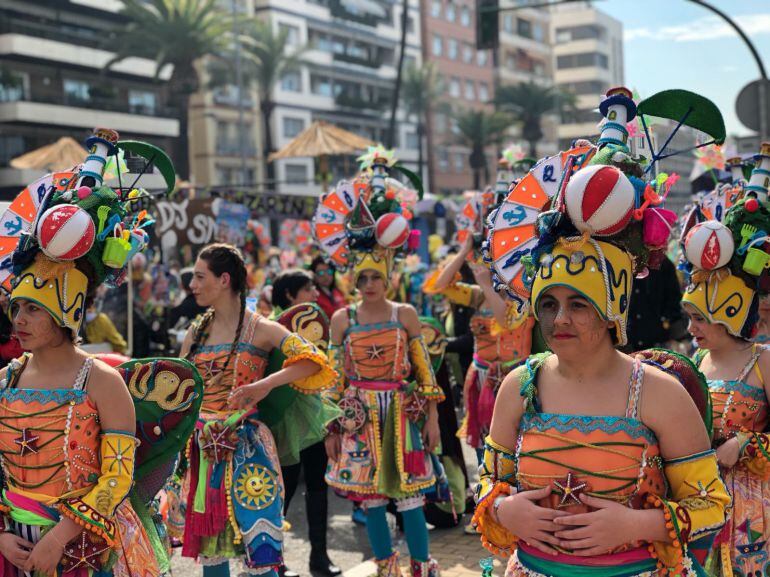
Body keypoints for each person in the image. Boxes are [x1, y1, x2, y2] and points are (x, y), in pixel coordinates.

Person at [474, 88, 731, 577]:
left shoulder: (658, 393)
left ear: (613, 309)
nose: (559, 320)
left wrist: (637, 526)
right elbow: (491, 482)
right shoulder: (519, 387)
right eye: (547, 304)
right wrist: (506, 511)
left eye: (579, 305)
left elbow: (712, 505)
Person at [315, 148, 444, 577]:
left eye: (376, 276)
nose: (369, 283)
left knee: (411, 499)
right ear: (353, 277)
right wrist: (330, 428)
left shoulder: (403, 314)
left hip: (401, 415)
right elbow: (333, 380)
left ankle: (421, 567)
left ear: (388, 274)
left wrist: (432, 419)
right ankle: (386, 568)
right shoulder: (341, 319)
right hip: (356, 417)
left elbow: (424, 372)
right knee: (369, 500)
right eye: (362, 277)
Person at [180, 243, 336, 577]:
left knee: (262, 546)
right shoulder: (195, 332)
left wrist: (264, 385)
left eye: (198, 276)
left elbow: (314, 361)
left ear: (224, 280)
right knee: (212, 549)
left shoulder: (261, 328)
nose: (191, 284)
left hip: (249, 449)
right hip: (205, 452)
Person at [682, 189, 770, 574]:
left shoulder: (764, 361)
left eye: (699, 318)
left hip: (755, 511)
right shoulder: (695, 362)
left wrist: (743, 445)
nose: (691, 328)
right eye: (688, 317)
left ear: (727, 316)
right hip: (703, 506)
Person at [425, 234, 534, 462]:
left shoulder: (525, 297)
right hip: (480, 376)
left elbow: (504, 322)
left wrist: (486, 286)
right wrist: (464, 252)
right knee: (484, 443)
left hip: (514, 378)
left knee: (514, 441)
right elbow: (437, 286)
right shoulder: (477, 296)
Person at [270, 268, 341, 577]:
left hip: (312, 416)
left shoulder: (311, 324)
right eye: (308, 288)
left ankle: (320, 558)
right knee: (278, 494)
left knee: (317, 487)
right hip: (281, 420)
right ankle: (272, 560)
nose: (314, 293)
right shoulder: (269, 327)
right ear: (289, 294)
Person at [311, 256, 346, 320]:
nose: (326, 276)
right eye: (320, 273)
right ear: (314, 275)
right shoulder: (312, 297)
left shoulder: (339, 291)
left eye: (329, 271)